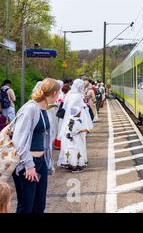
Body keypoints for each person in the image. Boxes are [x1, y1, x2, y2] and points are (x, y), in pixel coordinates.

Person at [11, 78, 61, 213]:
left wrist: (47, 163)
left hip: (41, 162)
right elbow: (19, 140)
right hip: (27, 164)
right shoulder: (30, 108)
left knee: (39, 206)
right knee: (26, 207)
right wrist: (29, 165)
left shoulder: (43, 109)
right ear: (55, 93)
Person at [58, 79, 93, 168]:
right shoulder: (78, 96)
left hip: (67, 120)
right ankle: (78, 161)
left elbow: (65, 107)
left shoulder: (69, 94)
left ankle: (66, 160)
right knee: (78, 141)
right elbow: (75, 111)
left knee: (67, 141)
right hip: (75, 120)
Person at [61, 106, 89, 173]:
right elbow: (76, 131)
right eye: (79, 112)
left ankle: (70, 164)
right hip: (76, 140)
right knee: (78, 151)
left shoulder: (69, 120)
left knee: (70, 152)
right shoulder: (77, 122)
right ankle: (76, 166)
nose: (80, 113)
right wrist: (84, 130)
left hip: (70, 141)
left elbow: (68, 131)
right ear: (77, 113)